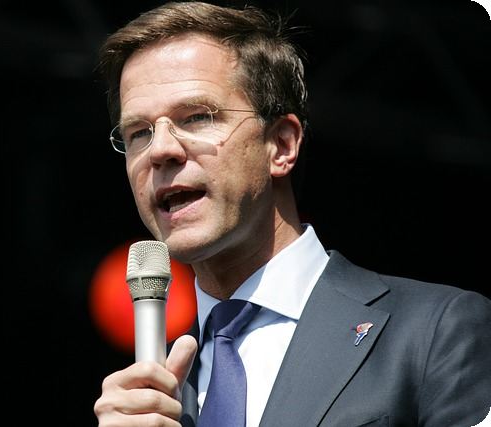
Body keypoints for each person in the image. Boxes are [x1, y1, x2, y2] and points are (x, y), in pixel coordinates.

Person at [92, 2, 491, 426]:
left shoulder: (435, 331)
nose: (160, 150)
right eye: (139, 132)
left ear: (281, 145)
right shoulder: (152, 394)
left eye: (196, 118)